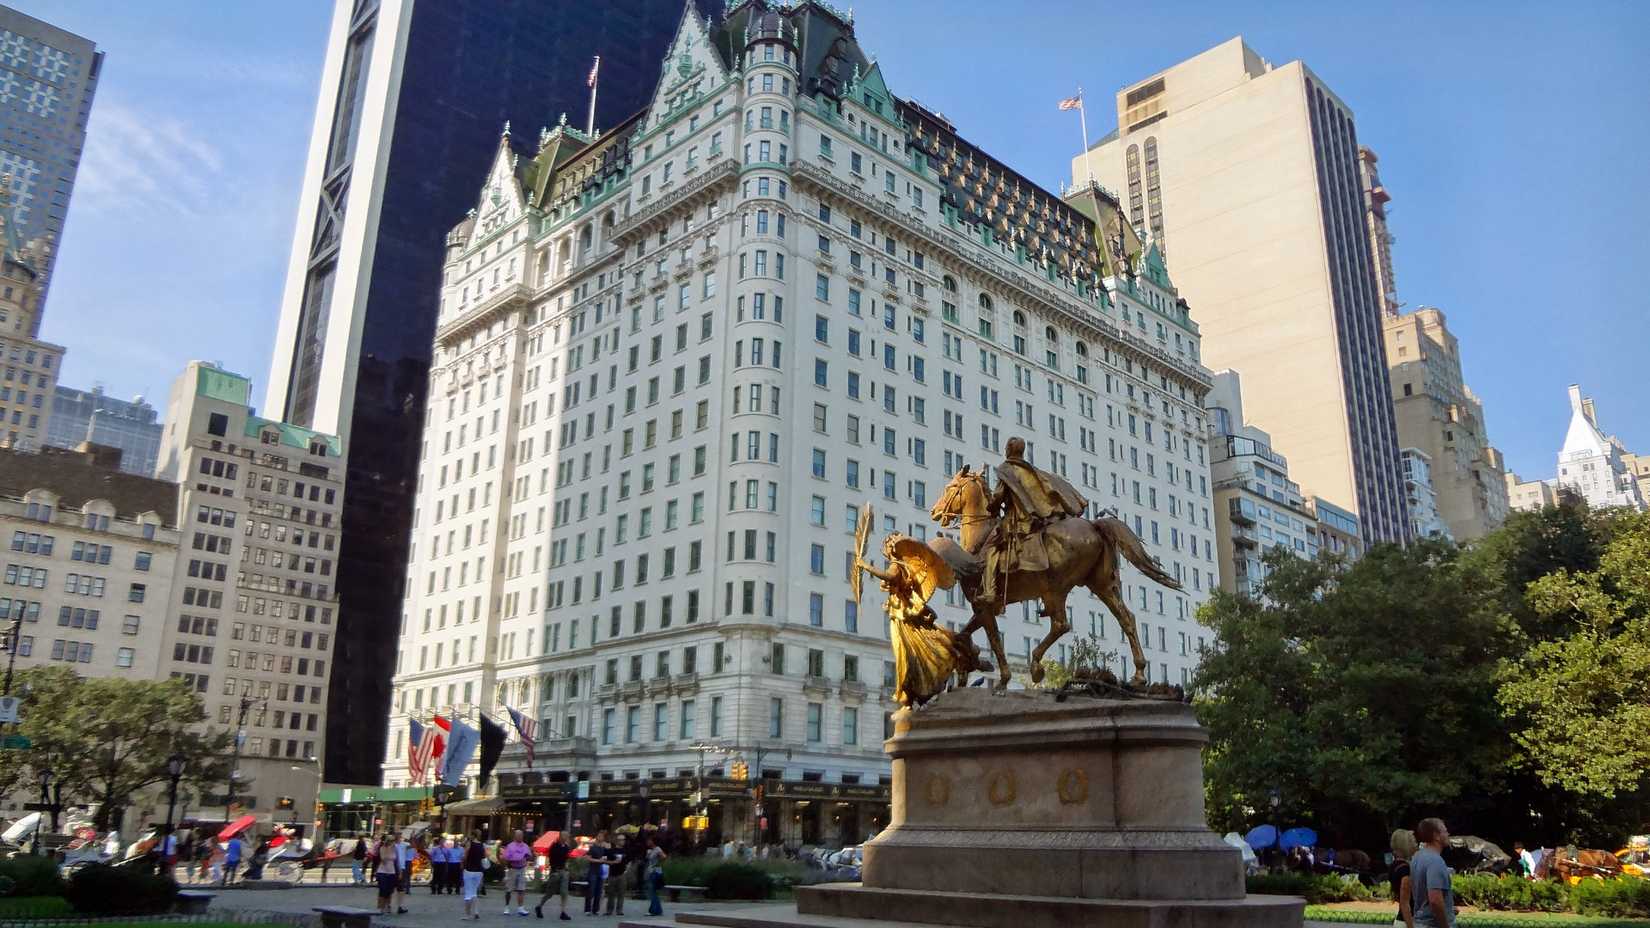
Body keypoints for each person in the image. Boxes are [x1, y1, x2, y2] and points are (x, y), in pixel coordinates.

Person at [980, 436, 1087, 610]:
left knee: (990, 547)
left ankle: (990, 591)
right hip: (1037, 518)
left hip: (1018, 521)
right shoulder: (1030, 470)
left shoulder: (1006, 470)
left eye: (1006, 447)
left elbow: (999, 496)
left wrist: (991, 506)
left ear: (1008, 449)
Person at [1410, 818, 1456, 927]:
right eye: (1445, 831)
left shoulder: (1417, 856)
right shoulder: (1435, 861)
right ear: (1436, 836)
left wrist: (1447, 908)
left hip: (1419, 921)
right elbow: (1435, 900)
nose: (1448, 834)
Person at [535, 832, 572, 920]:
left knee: (564, 892)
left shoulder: (566, 847)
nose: (565, 837)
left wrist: (567, 869)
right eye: (564, 836)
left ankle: (563, 912)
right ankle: (539, 906)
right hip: (555, 871)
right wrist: (554, 870)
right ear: (560, 837)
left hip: (563, 871)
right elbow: (551, 859)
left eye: (566, 836)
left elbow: (566, 859)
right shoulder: (554, 846)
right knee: (550, 893)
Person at [1390, 829, 1418, 928]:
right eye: (1413, 841)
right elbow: (1405, 903)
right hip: (1406, 922)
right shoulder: (1405, 869)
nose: (1416, 845)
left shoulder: (1395, 866)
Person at [502, 828, 533, 916]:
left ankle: (521, 908)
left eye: (521, 835)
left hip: (522, 868)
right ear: (515, 836)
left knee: (521, 889)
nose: (520, 837)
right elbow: (505, 858)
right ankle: (507, 907)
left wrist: (527, 857)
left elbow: (529, 857)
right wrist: (510, 862)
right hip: (513, 869)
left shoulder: (525, 846)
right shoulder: (510, 846)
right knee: (509, 889)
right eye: (518, 835)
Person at [584, 831, 611, 915]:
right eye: (599, 836)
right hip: (593, 870)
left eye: (602, 837)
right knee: (591, 890)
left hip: (601, 871)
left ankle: (596, 909)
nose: (600, 838)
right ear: (597, 837)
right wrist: (598, 861)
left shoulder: (604, 849)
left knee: (598, 891)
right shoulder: (593, 847)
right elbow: (588, 858)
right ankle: (587, 909)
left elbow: (608, 856)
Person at [373, 834, 400, 916]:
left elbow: (397, 861)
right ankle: (380, 907)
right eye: (391, 841)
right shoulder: (382, 848)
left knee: (389, 891)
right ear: (388, 841)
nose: (393, 842)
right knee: (382, 890)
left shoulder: (395, 849)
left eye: (393, 841)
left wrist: (399, 871)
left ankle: (388, 906)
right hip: (382, 872)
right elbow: (383, 859)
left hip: (392, 872)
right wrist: (388, 850)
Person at [604, 834, 630, 916]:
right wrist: (613, 862)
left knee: (621, 893)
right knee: (611, 893)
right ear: (617, 841)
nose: (623, 841)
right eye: (621, 840)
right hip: (612, 874)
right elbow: (605, 861)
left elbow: (629, 861)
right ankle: (609, 910)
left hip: (622, 874)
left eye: (623, 840)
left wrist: (628, 868)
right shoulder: (611, 851)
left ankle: (619, 910)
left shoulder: (626, 851)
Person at [644, 836, 668, 917]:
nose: (647, 842)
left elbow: (664, 856)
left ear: (653, 841)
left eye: (649, 840)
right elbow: (648, 860)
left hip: (655, 871)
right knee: (652, 891)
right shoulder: (650, 850)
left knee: (652, 891)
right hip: (651, 871)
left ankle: (655, 910)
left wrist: (657, 863)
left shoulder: (657, 849)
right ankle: (655, 909)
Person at [394, 832, 414, 914]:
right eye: (397, 835)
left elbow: (412, 846)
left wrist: (412, 837)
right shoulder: (392, 845)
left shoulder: (404, 844)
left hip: (401, 867)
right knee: (390, 888)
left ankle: (400, 906)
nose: (398, 837)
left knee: (401, 888)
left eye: (399, 835)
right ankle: (388, 905)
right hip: (392, 867)